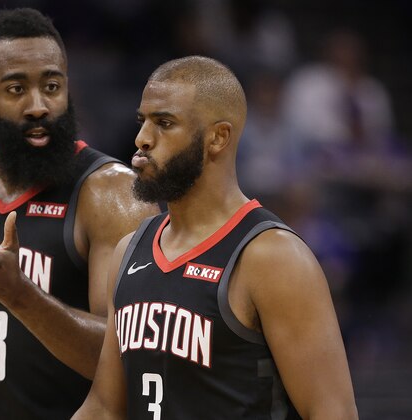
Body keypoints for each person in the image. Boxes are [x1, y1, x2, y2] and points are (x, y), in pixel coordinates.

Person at [73, 56, 358, 419]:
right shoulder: (129, 251)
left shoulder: (272, 257)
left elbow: (333, 413)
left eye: (164, 123)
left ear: (218, 138)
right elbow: (103, 408)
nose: (142, 139)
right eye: (142, 121)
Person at [0, 8, 159, 420]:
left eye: (51, 86)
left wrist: (20, 294)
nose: (38, 106)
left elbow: (130, 359)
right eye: (16, 89)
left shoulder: (112, 193)